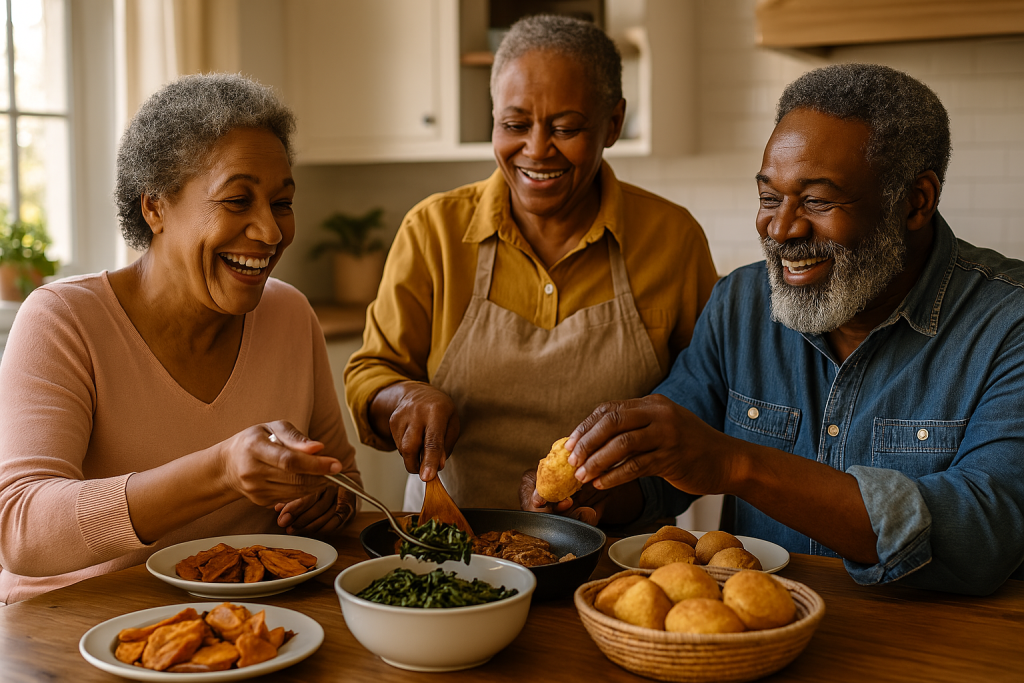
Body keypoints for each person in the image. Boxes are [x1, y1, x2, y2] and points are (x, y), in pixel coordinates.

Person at [527, 63, 1024, 595]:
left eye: (817, 201)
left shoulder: (1007, 323)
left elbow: (985, 531)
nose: (781, 229)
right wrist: (602, 490)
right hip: (752, 641)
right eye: (769, 197)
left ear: (916, 201)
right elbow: (665, 466)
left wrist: (739, 463)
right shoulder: (741, 303)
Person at [0, 74, 361, 604]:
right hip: (75, 630)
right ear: (155, 208)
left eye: (281, 203)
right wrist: (220, 470)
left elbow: (342, 478)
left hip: (249, 621)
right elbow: (21, 529)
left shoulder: (289, 312)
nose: (270, 231)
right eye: (238, 201)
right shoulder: (63, 320)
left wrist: (328, 499)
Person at [344, 15, 718, 511]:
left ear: (613, 123)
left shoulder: (672, 239)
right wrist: (405, 397)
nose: (537, 149)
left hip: (615, 549)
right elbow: (372, 370)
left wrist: (619, 497)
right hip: (452, 542)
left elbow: (706, 402)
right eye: (515, 125)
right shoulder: (433, 230)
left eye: (565, 127)